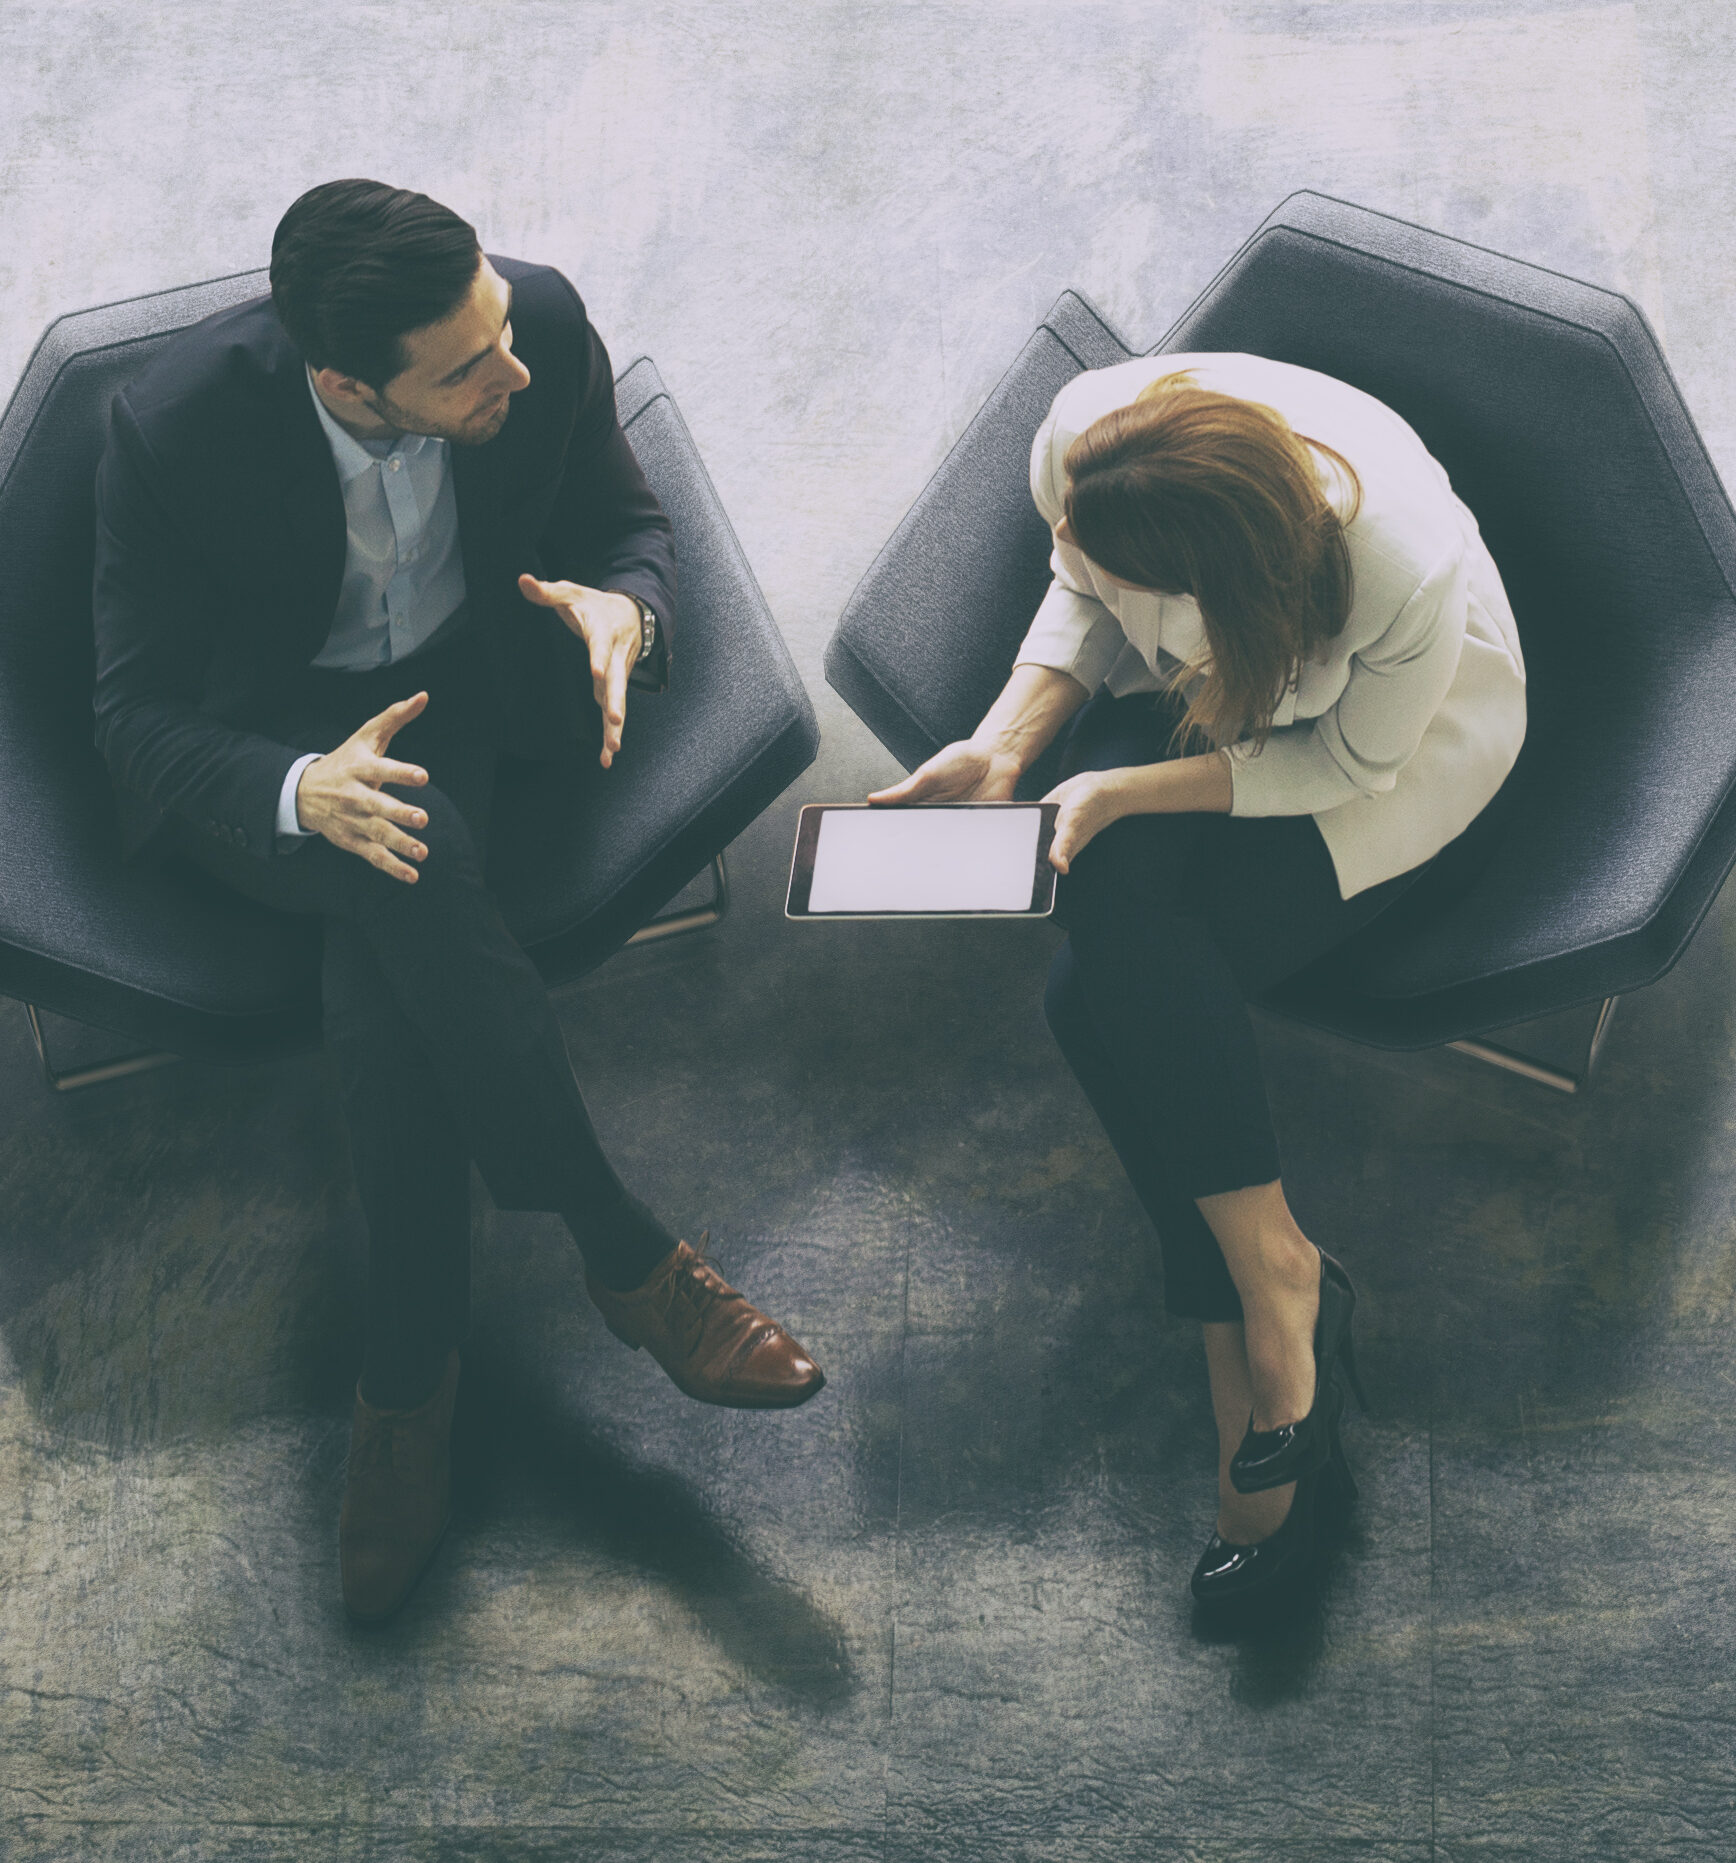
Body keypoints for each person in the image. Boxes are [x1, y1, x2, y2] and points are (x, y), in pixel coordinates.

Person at [92, 180, 826, 1624]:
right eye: (468, 366)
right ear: (344, 383)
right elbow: (130, 715)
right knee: (398, 869)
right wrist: (304, 784)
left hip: (462, 694)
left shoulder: (534, 316)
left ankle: (408, 1383)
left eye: (498, 329)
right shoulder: (172, 429)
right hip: (275, 749)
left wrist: (632, 611)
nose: (517, 370)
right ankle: (623, 1254)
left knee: (390, 987)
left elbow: (628, 523)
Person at [870, 352, 1526, 1609]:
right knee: (1107, 943)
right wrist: (1007, 743)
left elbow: (1343, 758)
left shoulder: (1399, 569)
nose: (1065, 539)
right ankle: (1268, 1279)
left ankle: (1249, 1301)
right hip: (1207, 702)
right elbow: (1075, 574)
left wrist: (1128, 785)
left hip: (1390, 756)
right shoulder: (1085, 439)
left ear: (1211, 583)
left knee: (1095, 979)